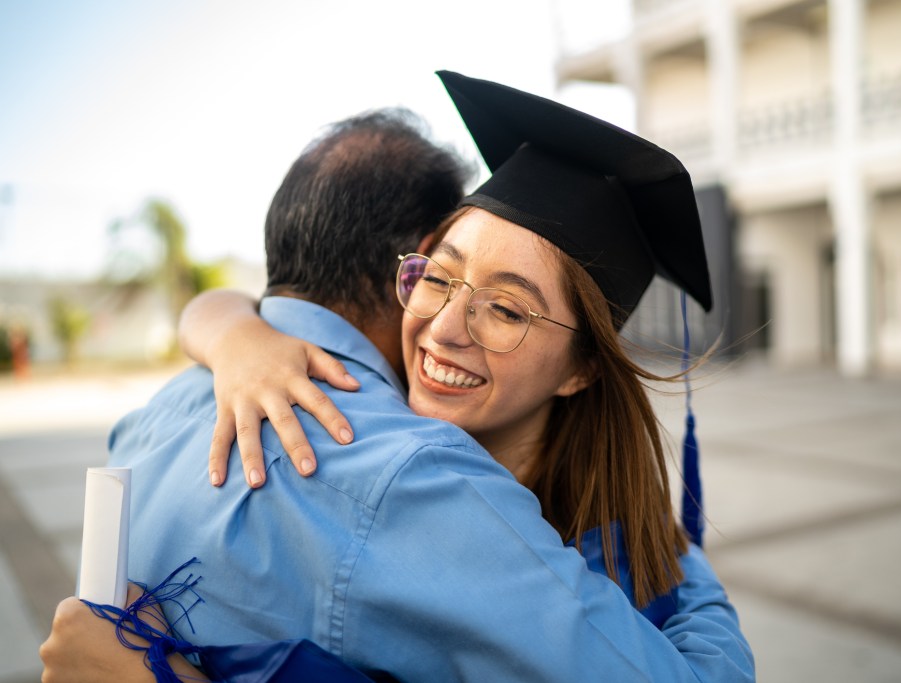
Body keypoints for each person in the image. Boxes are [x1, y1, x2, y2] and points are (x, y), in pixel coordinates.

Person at [42, 74, 753, 682]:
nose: (445, 327)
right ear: (403, 272)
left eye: (505, 309)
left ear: (583, 367)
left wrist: (680, 560)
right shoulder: (412, 480)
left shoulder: (158, 411)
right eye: (439, 277)